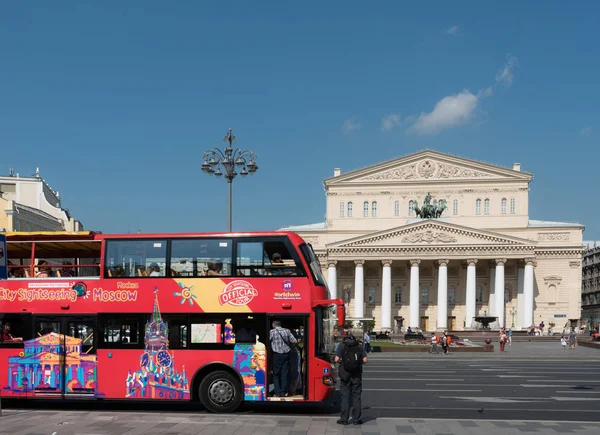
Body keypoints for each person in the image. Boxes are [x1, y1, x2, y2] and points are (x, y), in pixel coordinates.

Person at [334, 333, 368, 425]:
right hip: (356, 374)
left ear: (345, 339)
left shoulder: (342, 346)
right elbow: (365, 360)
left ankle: (344, 419)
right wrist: (357, 364)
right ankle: (356, 419)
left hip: (345, 374)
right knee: (356, 396)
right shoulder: (359, 346)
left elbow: (336, 359)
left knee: (345, 396)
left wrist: (343, 362)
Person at [268, 320, 297, 397]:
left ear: (273, 325)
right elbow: (294, 341)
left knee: (276, 374)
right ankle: (283, 392)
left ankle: (277, 392)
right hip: (286, 355)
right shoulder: (287, 331)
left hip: (277, 355)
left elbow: (268, 341)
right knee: (284, 374)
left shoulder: (272, 332)